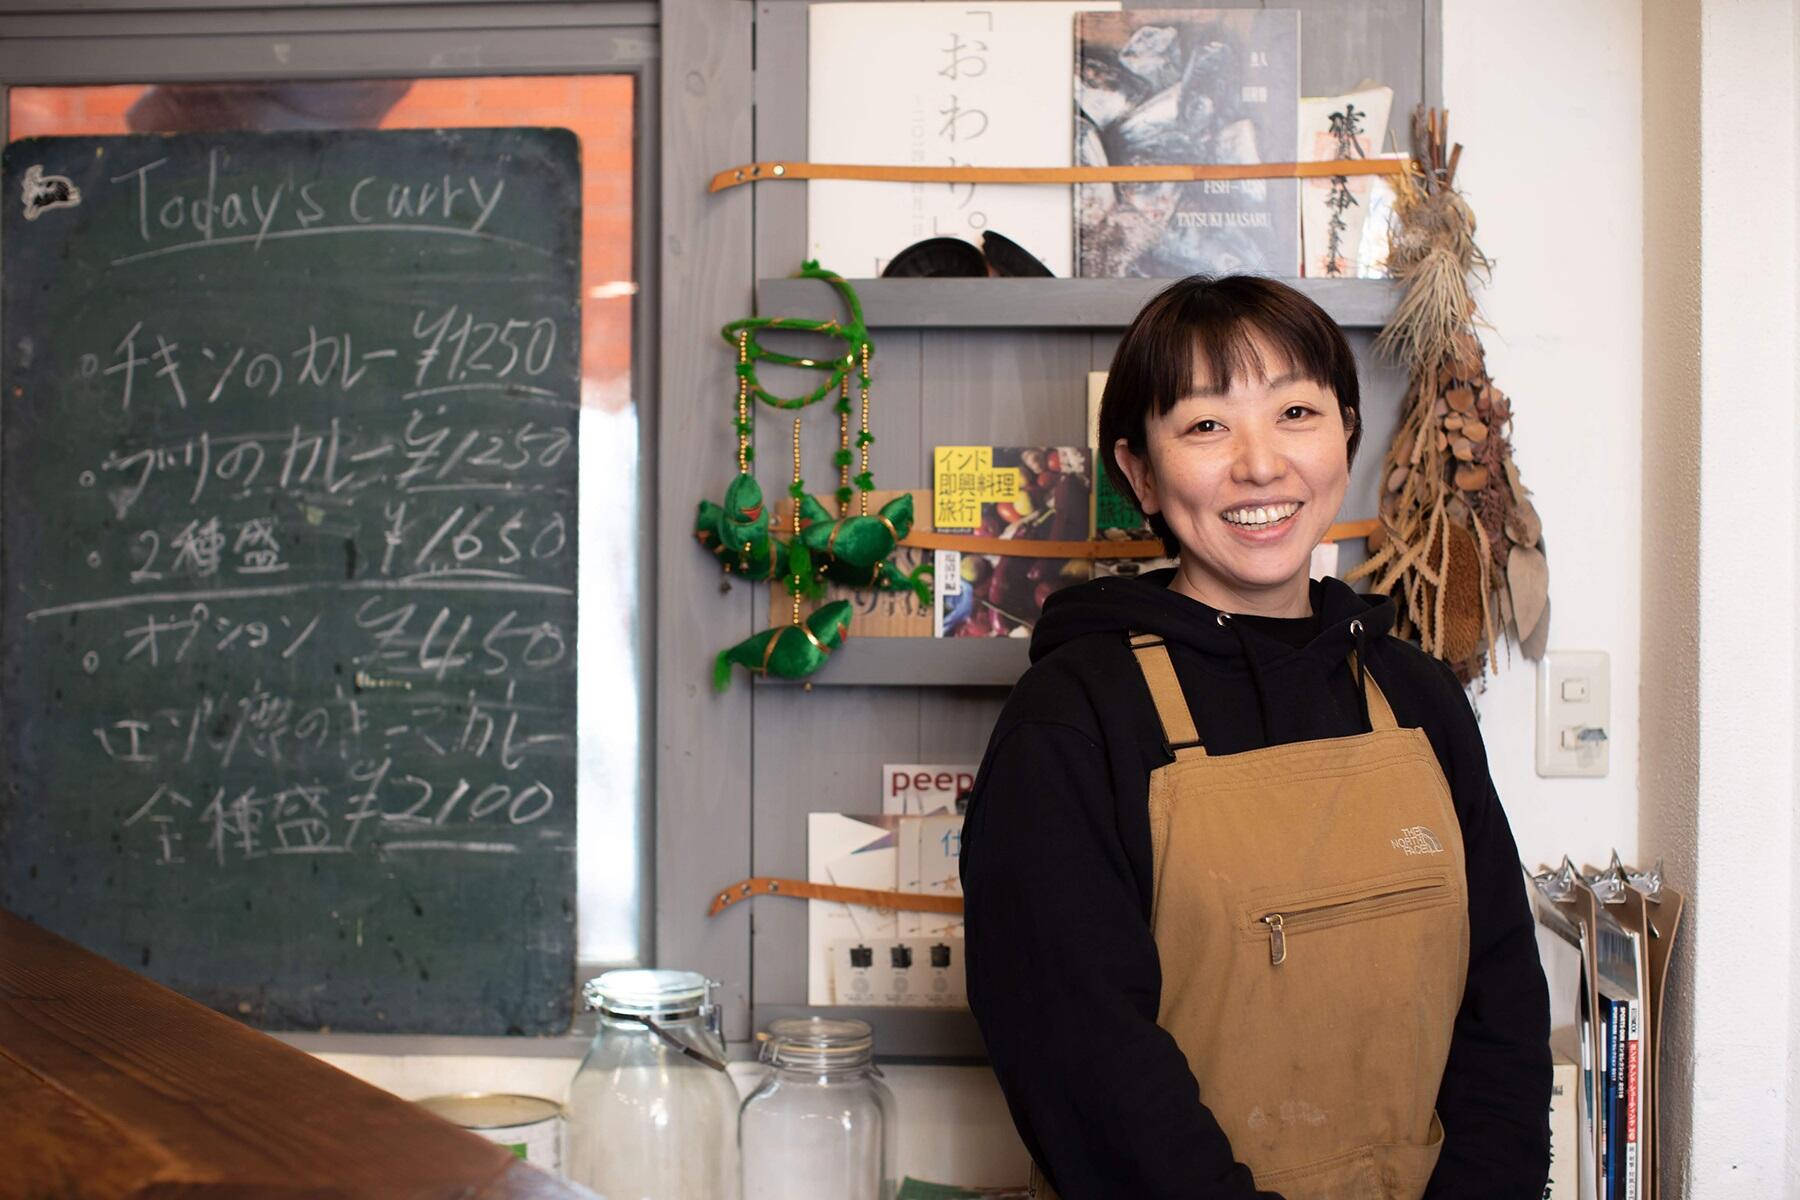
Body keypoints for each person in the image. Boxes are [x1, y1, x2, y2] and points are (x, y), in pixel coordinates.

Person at [959, 275, 1551, 1199]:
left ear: (1346, 433)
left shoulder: (1421, 697)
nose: (1261, 465)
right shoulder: (1071, 720)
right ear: (1140, 473)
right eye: (1206, 425)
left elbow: (1502, 1007)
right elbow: (1086, 1064)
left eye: (1296, 413)